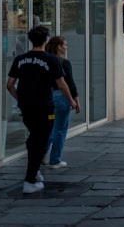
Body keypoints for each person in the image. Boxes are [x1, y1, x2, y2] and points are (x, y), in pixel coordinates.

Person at [6, 26, 78, 194]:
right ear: (46, 40)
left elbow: (9, 85)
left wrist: (20, 99)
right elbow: (62, 84)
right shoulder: (51, 60)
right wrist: (71, 101)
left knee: (34, 138)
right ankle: (30, 180)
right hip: (44, 106)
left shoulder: (20, 59)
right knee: (41, 139)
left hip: (26, 107)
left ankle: (35, 172)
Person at [44, 36, 79, 169]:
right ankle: (55, 160)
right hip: (61, 97)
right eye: (65, 44)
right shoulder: (63, 62)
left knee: (49, 128)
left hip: (46, 97)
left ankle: (41, 153)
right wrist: (74, 100)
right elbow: (69, 83)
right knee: (60, 129)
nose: (66, 47)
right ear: (58, 46)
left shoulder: (45, 61)